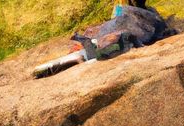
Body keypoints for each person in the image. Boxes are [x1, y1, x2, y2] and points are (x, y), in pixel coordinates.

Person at [33, 2, 175, 79]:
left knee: (102, 44)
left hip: (126, 26)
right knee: (105, 42)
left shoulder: (143, 13)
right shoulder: (125, 10)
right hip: (123, 26)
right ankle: (84, 54)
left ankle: (84, 54)